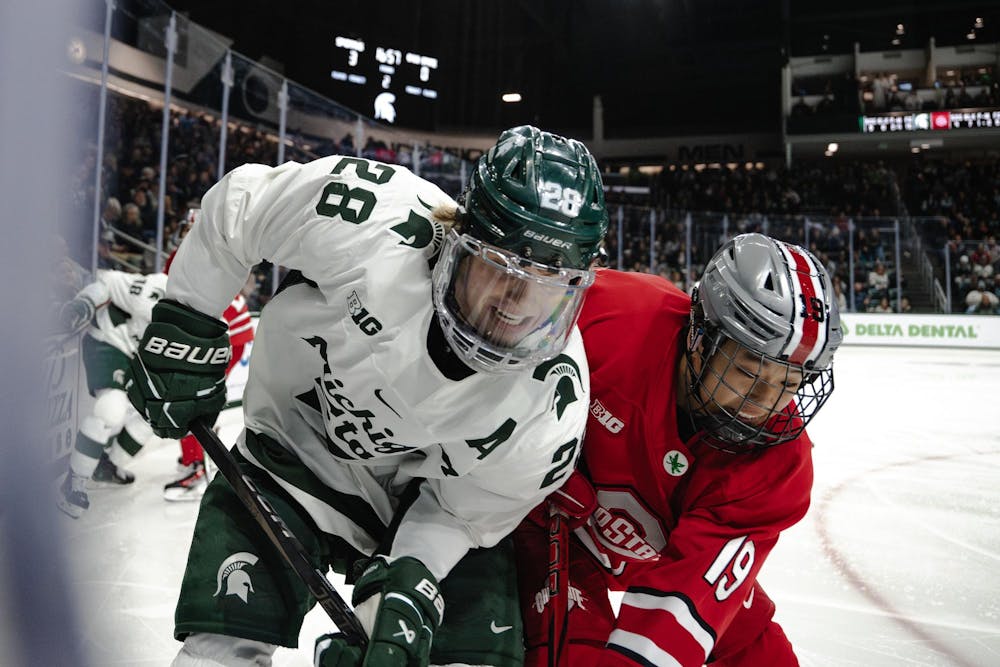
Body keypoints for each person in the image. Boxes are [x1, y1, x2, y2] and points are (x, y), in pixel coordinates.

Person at [124, 125, 609, 666]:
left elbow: (469, 512)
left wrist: (410, 582)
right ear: (458, 238)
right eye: (502, 269)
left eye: (549, 282)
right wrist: (187, 317)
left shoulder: (554, 404)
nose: (518, 304)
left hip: (418, 504)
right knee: (216, 655)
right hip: (295, 457)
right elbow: (243, 206)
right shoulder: (377, 217)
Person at [514, 233, 843, 666]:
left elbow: (675, 613)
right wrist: (527, 463)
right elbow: (499, 377)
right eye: (749, 372)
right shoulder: (615, 316)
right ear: (699, 335)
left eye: (790, 383)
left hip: (664, 554)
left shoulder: (779, 464)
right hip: (556, 530)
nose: (765, 402)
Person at [56, 269, 168, 518]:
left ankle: (106, 464)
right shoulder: (157, 290)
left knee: (156, 416)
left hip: (138, 358)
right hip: (111, 342)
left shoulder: (209, 320)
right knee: (112, 410)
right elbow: (107, 281)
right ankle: (74, 484)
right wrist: (83, 305)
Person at [162, 209, 256, 502]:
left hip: (219, 335)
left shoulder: (195, 256)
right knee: (194, 398)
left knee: (185, 400)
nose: (184, 233)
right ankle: (204, 457)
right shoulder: (202, 252)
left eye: (190, 228)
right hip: (224, 334)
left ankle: (196, 469)